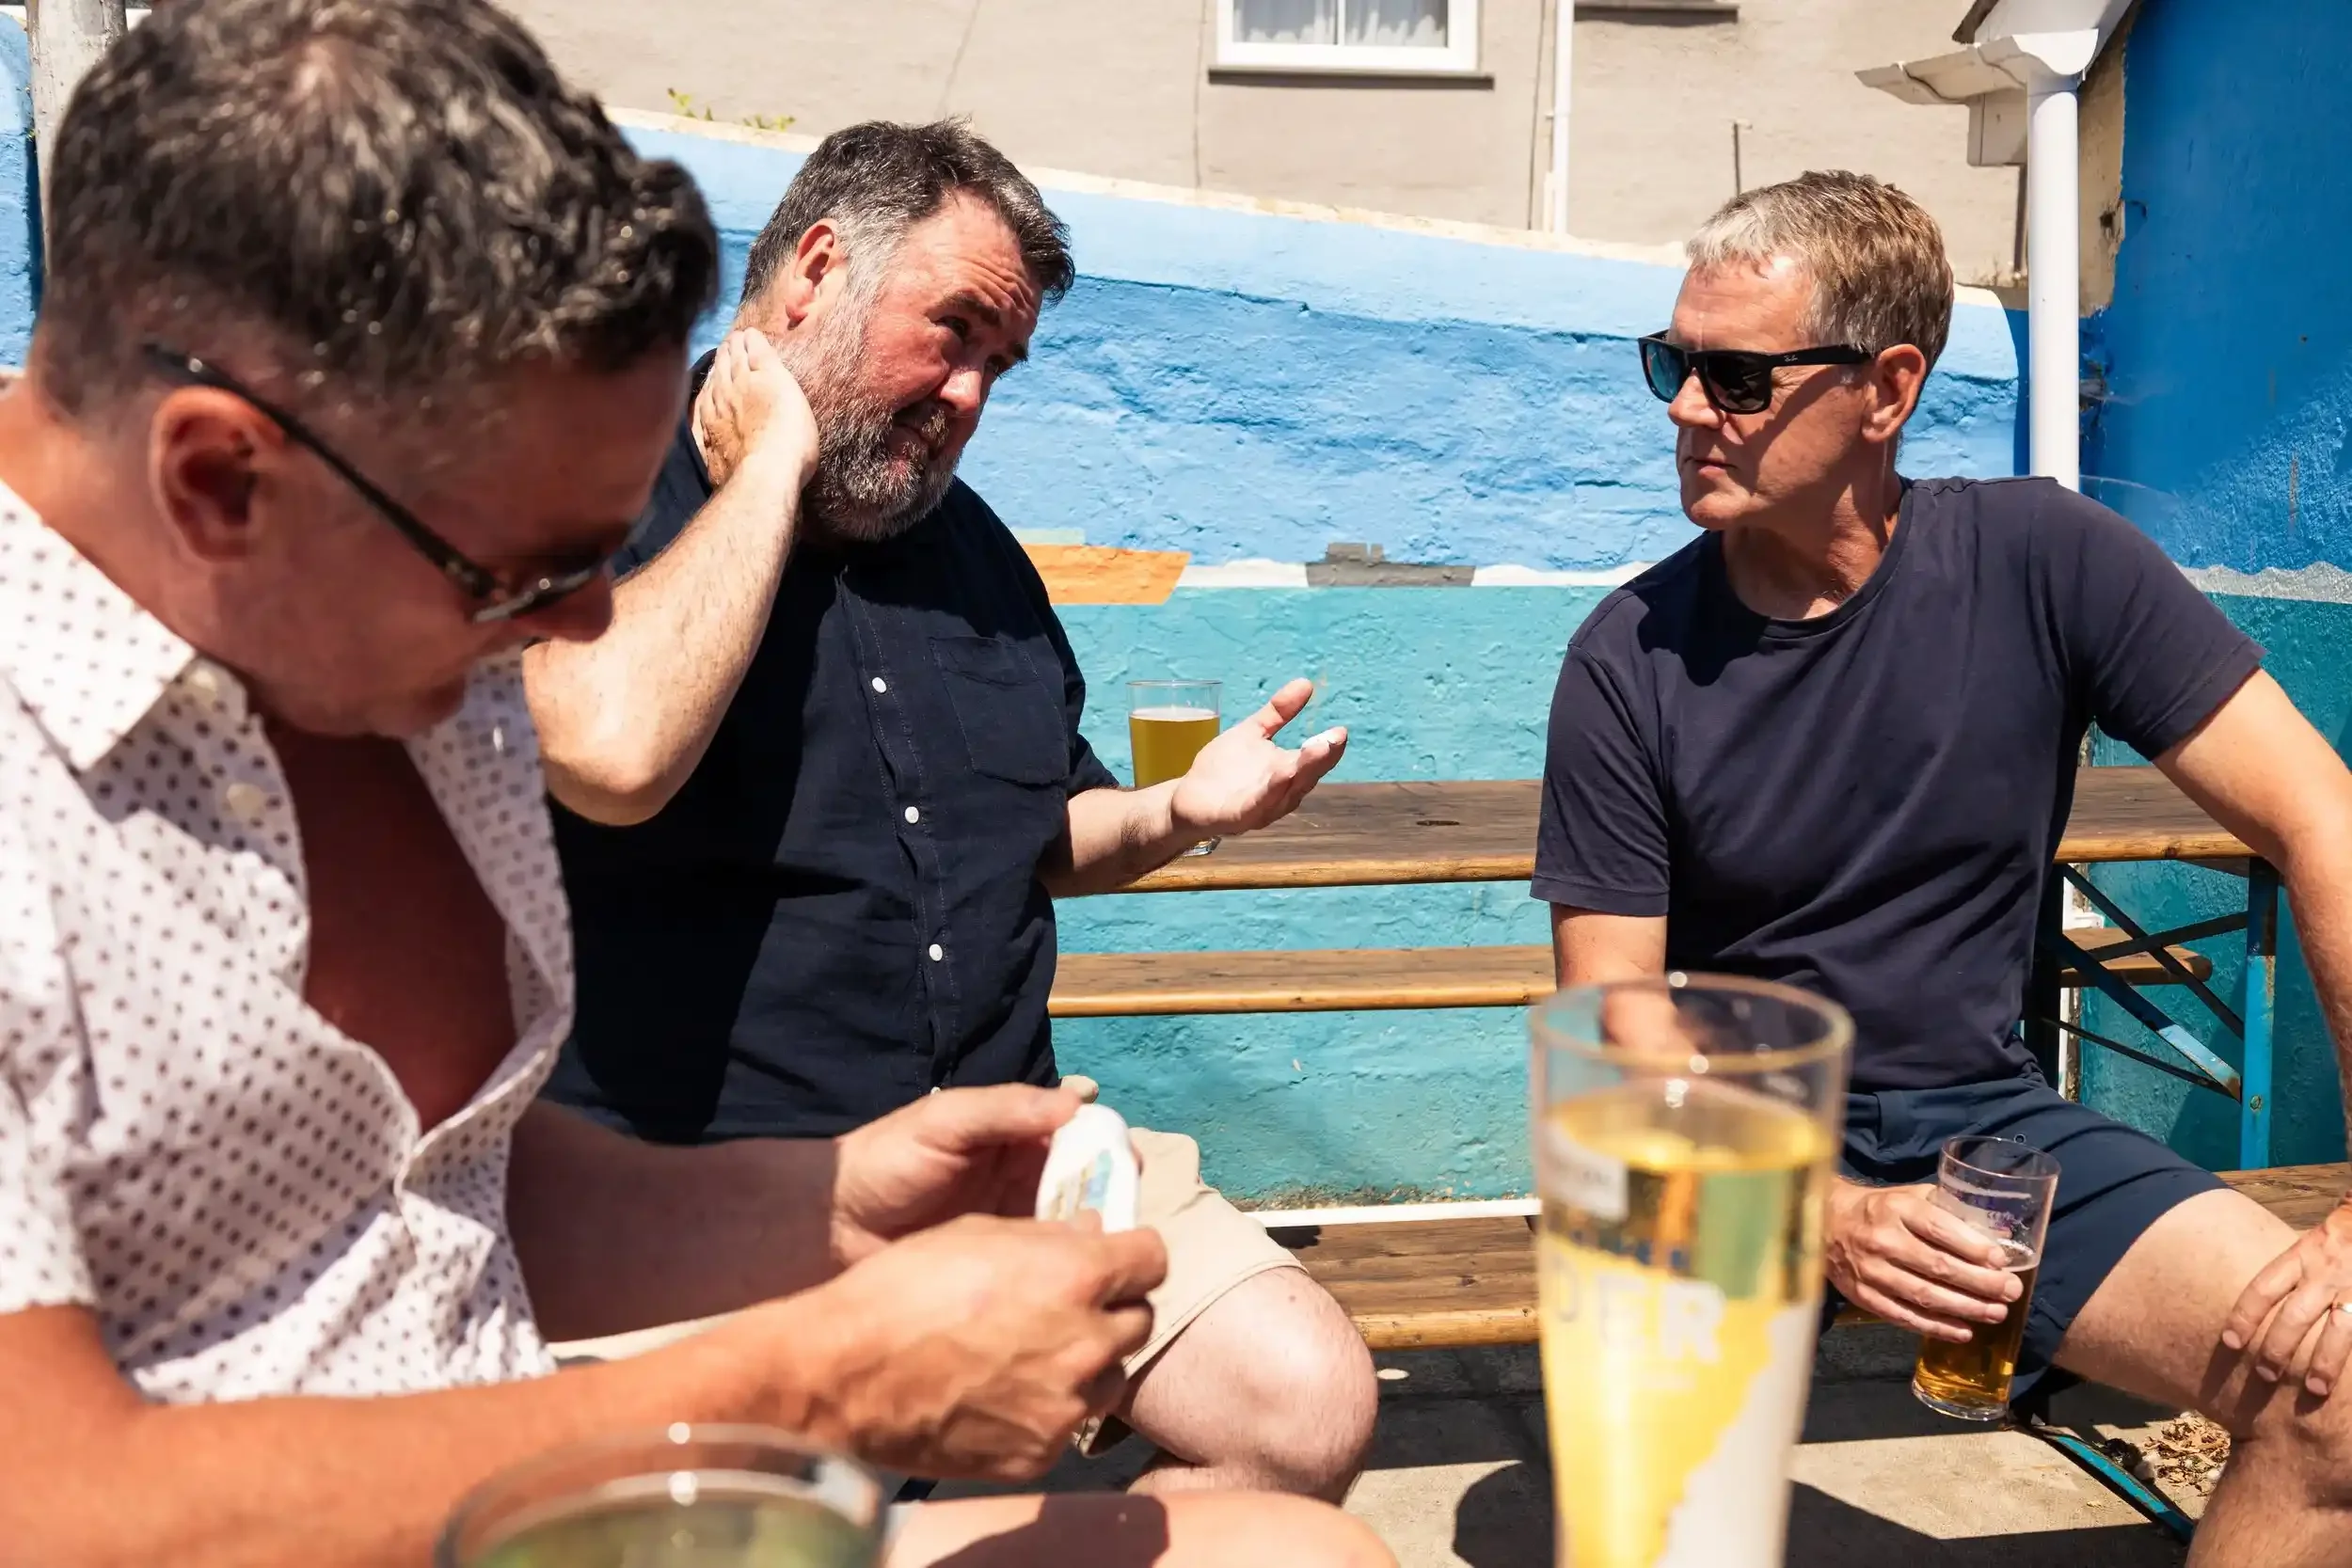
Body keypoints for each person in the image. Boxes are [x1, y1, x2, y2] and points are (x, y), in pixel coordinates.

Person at [0, 7, 1396, 1565]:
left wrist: (836, 1203)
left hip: (570, 1450)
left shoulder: (365, 654)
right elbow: (50, 1504)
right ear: (218, 482)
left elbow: (454, 1193)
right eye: (522, 576)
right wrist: (819, 1366)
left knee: (1317, 1545)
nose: (566, 635)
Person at [524, 119, 1380, 1500]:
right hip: (703, 1206)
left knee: (1308, 1404)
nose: (972, 393)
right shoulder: (586, 492)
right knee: (796, 1513)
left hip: (1010, 1157)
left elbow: (1035, 840)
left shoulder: (974, 555)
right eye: (955, 331)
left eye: (1003, 363)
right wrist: (769, 469)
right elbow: (610, 750)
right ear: (813, 273)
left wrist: (1181, 810)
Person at [1536, 169, 2352, 1568]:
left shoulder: (2045, 558)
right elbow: (1621, 1017)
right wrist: (1820, 1208)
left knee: (2340, 1397)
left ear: (1886, 386)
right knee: (1663, 1535)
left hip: (1986, 1134)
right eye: (1673, 363)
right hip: (1722, 1143)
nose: (1682, 408)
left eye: (1733, 374)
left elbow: (2320, 815)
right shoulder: (1629, 656)